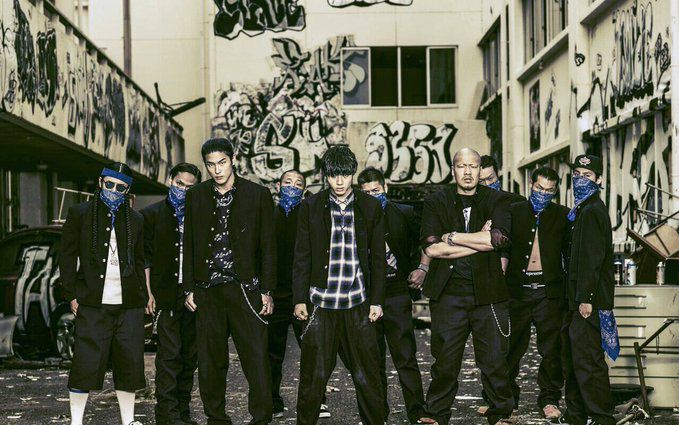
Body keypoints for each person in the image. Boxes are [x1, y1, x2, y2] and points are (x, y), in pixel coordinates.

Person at [182, 138, 276, 425]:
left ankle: (261, 419)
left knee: (256, 359)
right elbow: (190, 242)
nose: (217, 170)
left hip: (245, 288)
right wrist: (188, 287)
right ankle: (216, 419)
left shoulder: (258, 194)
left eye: (222, 162)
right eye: (211, 165)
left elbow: (268, 246)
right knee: (210, 362)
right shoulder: (196, 195)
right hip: (207, 289)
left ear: (233, 160)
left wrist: (267, 290)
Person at [417, 148, 514, 425]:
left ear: (480, 170)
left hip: (489, 293)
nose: (468, 172)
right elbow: (432, 248)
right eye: (462, 166)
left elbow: (498, 240)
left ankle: (500, 413)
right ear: (453, 170)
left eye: (473, 166)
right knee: (445, 361)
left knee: (494, 361)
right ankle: (437, 414)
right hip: (448, 295)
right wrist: (479, 239)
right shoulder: (436, 201)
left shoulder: (497, 199)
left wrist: (452, 237)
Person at [293, 146, 386, 425]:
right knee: (313, 377)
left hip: (357, 302)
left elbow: (378, 258)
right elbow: (302, 255)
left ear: (353, 173)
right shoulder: (311, 206)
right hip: (321, 303)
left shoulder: (370, 206)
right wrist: (299, 299)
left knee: (367, 374)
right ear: (326, 176)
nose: (340, 181)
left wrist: (376, 300)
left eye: (345, 174)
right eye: (334, 175)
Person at [59, 163, 146, 425]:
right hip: (92, 302)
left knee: (129, 365)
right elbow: (66, 256)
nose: (113, 191)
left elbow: (140, 261)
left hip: (128, 304)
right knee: (85, 363)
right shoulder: (80, 213)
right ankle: (76, 421)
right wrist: (71, 294)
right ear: (100, 182)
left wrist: (143, 297)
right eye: (109, 184)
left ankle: (128, 421)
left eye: (120, 188)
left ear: (127, 191)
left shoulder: (136, 219)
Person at [483, 167, 570, 419]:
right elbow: (500, 248)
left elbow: (568, 254)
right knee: (510, 348)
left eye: (549, 190)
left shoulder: (562, 216)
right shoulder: (514, 211)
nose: (543, 193)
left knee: (552, 350)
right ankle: (506, 399)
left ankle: (550, 398)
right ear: (530, 184)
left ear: (556, 191)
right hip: (517, 291)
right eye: (539, 188)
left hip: (548, 292)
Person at [357, 167, 427, 423]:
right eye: (367, 193)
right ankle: (377, 416)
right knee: (372, 360)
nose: (373, 196)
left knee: (405, 356)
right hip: (366, 296)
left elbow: (425, 241)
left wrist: (422, 268)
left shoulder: (404, 213)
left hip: (397, 291)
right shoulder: (355, 217)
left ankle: (417, 412)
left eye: (376, 190)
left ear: (385, 188)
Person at [558, 154, 617, 425]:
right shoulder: (582, 210)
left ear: (599, 180)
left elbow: (592, 259)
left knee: (587, 361)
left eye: (588, 175)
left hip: (586, 301)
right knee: (573, 359)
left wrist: (586, 298)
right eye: (577, 174)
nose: (581, 180)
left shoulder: (592, 211)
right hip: (576, 299)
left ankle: (602, 417)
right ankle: (576, 415)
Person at [141, 163, 202, 425]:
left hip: (192, 296)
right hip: (164, 294)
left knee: (189, 357)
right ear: (170, 181)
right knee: (169, 356)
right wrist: (148, 293)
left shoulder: (199, 217)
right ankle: (167, 416)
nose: (183, 190)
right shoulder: (151, 215)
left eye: (189, 187)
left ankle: (183, 413)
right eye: (179, 184)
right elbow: (144, 258)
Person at [268, 169, 331, 419]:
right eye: (288, 182)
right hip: (274, 296)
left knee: (312, 350)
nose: (292, 187)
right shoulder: (268, 216)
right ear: (278, 186)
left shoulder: (309, 217)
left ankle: (317, 400)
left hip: (303, 296)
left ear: (304, 191)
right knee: (272, 352)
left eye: (297, 184)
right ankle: (273, 401)